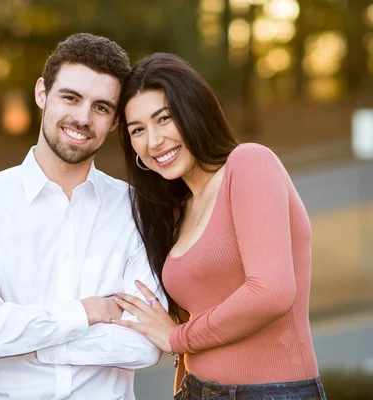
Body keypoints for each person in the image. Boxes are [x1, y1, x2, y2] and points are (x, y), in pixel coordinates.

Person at [0, 33, 166, 400]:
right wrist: (87, 312)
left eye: (101, 107)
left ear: (114, 121)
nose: (82, 118)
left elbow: (144, 345)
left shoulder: (134, 210)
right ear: (41, 93)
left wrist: (30, 344)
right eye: (71, 97)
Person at [110, 53, 326, 399]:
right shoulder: (177, 210)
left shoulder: (250, 164)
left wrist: (176, 338)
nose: (153, 141)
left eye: (164, 119)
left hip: (270, 392)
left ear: (193, 109)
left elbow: (271, 293)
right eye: (138, 130)